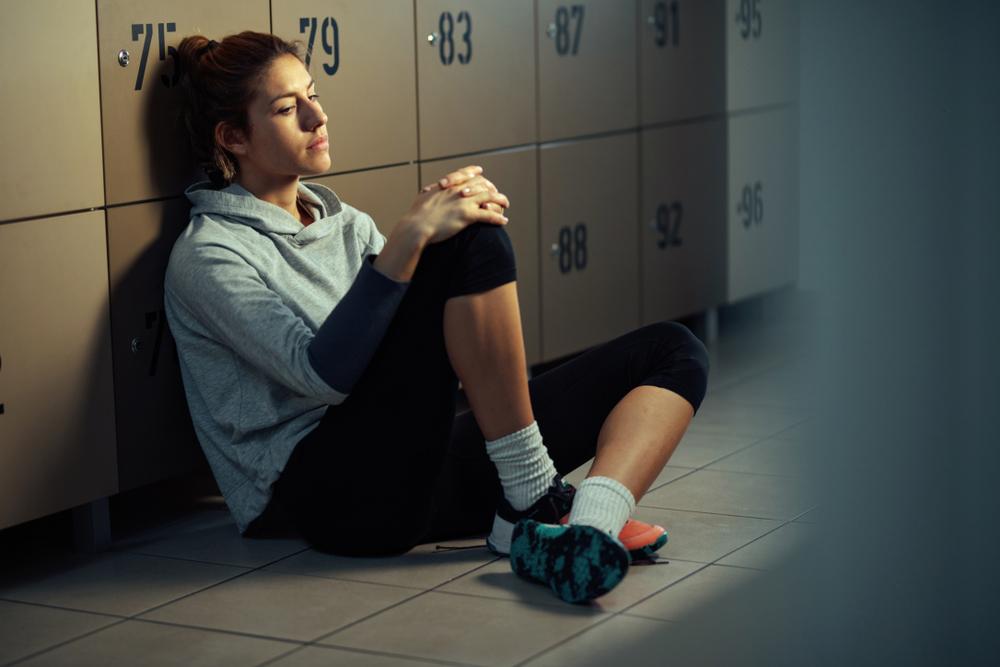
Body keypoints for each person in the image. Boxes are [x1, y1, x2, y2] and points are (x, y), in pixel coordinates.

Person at [164, 31, 709, 605]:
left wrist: (419, 242)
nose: (316, 115)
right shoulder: (209, 254)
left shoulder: (342, 222)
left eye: (313, 94)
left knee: (672, 350)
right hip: (327, 499)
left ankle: (585, 528)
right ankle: (532, 498)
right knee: (466, 242)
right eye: (285, 107)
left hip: (412, 462)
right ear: (232, 137)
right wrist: (411, 237)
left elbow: (416, 352)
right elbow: (321, 376)